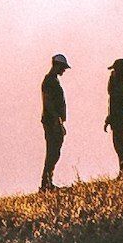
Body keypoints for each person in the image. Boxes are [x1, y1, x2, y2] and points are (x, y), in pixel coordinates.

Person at [40, 53, 70, 191]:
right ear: (57, 65)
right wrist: (57, 120)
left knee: (54, 151)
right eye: (63, 67)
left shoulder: (53, 80)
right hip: (51, 121)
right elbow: (48, 102)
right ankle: (46, 183)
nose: (64, 70)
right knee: (53, 151)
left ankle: (47, 182)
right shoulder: (50, 81)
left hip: (53, 120)